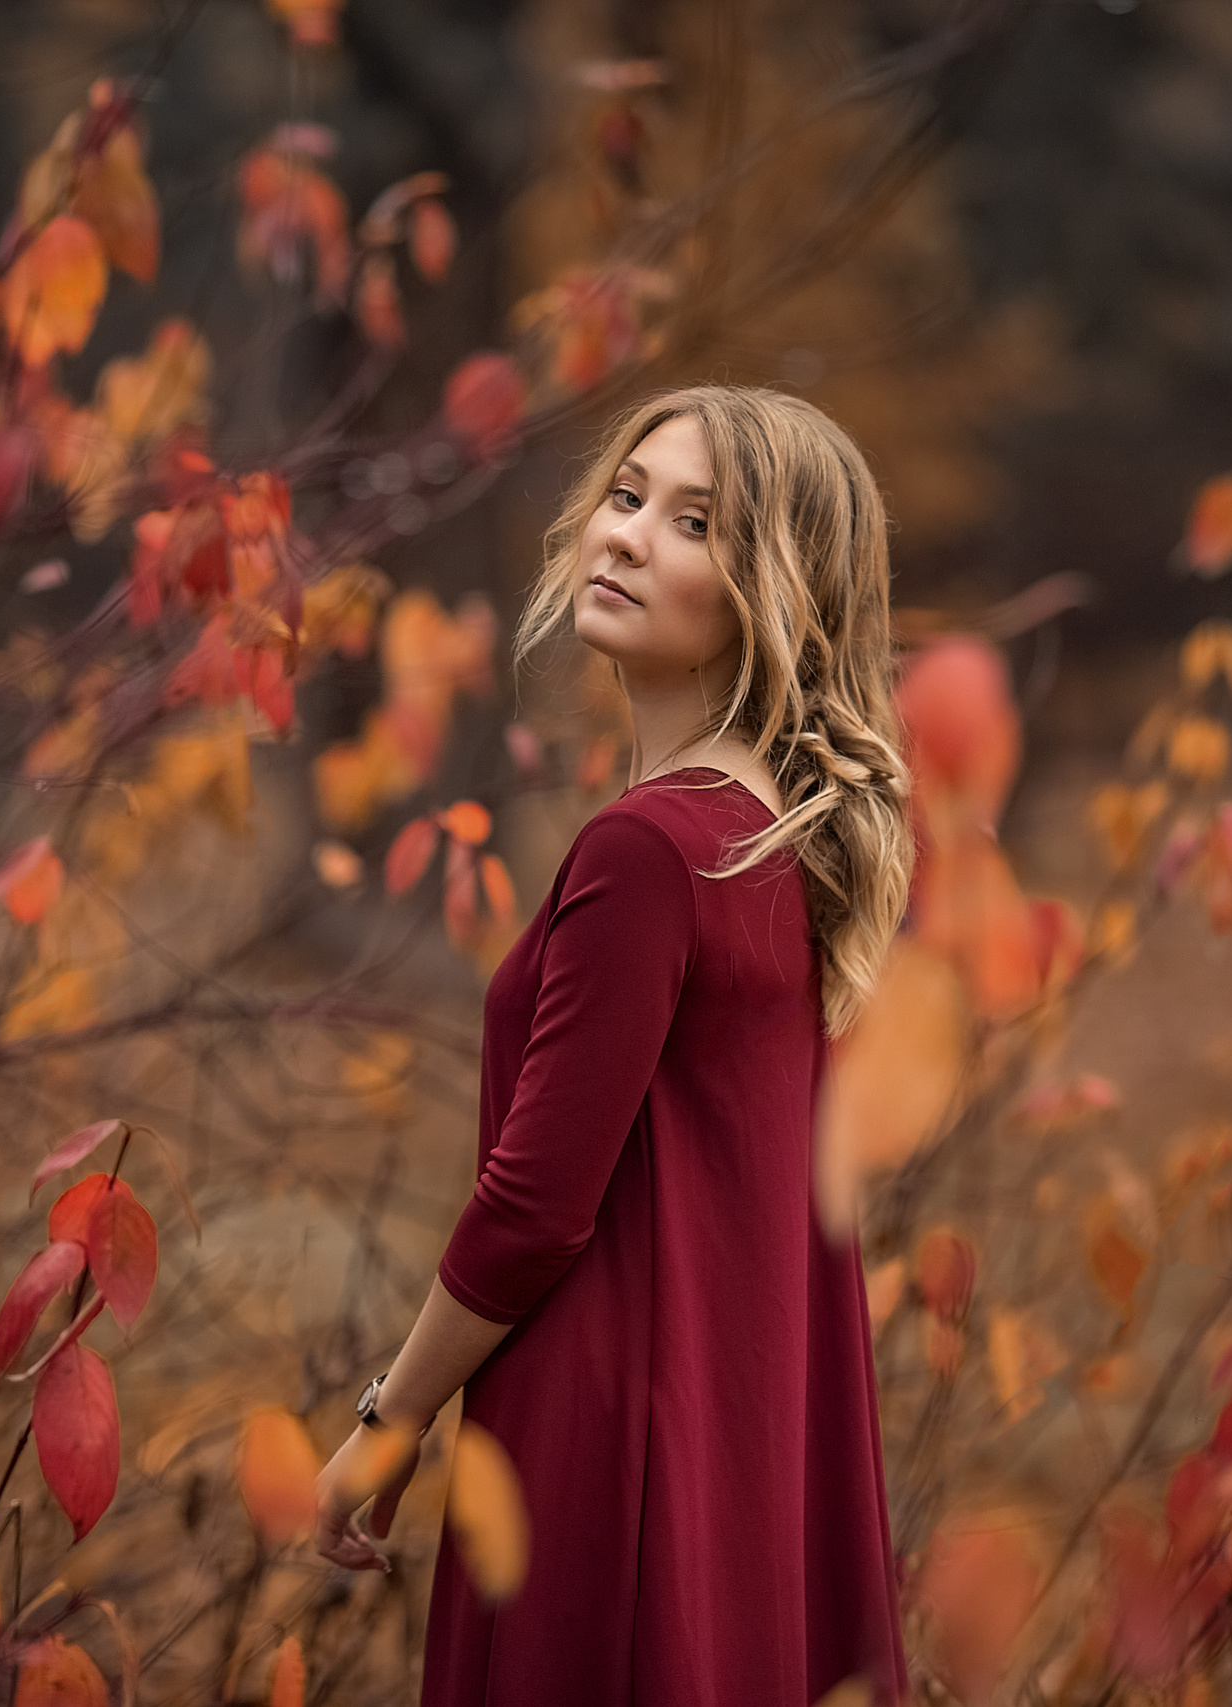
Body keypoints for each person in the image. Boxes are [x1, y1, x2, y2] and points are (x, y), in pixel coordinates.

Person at [311, 385, 918, 1706]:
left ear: (776, 589)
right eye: (627, 496)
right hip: (736, 1474)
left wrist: (389, 1421)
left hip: (607, 1473)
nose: (628, 536)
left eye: (695, 522)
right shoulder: (780, 845)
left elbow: (534, 1207)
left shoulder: (650, 853)